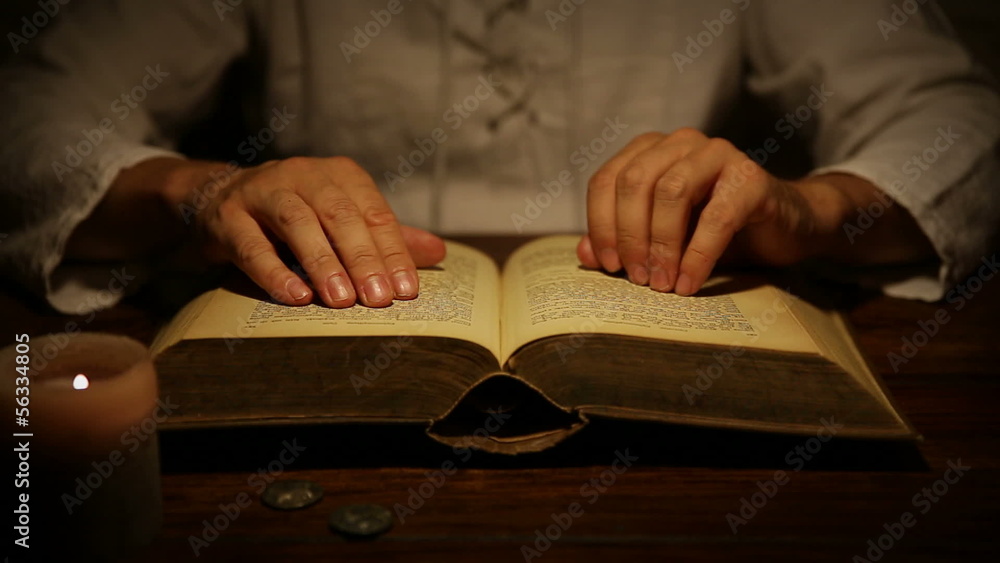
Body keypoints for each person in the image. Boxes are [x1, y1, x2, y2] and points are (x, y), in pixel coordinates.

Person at [1, 0, 997, 314]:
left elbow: (956, 113)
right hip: (321, 327)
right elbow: (30, 109)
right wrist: (196, 188)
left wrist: (810, 207)